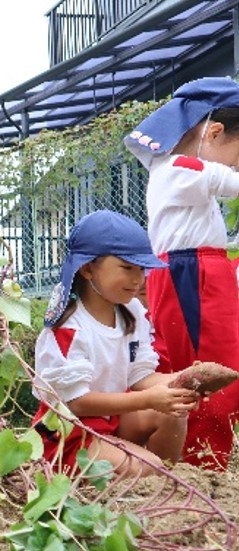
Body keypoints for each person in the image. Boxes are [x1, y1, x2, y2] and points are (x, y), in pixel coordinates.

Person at [124, 77, 239, 471]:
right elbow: (232, 183)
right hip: (193, 274)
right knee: (214, 366)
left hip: (192, 271)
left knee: (189, 362)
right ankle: (206, 463)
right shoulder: (183, 168)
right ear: (215, 132)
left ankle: (198, 457)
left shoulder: (174, 169)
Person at [32, 210, 198, 476]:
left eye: (142, 269)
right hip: (70, 435)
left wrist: (183, 380)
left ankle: (158, 482)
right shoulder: (68, 328)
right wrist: (147, 399)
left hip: (111, 422)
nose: (139, 280)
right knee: (151, 467)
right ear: (88, 268)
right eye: (127, 267)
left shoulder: (131, 312)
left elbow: (140, 375)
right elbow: (75, 403)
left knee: (173, 412)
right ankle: (146, 478)